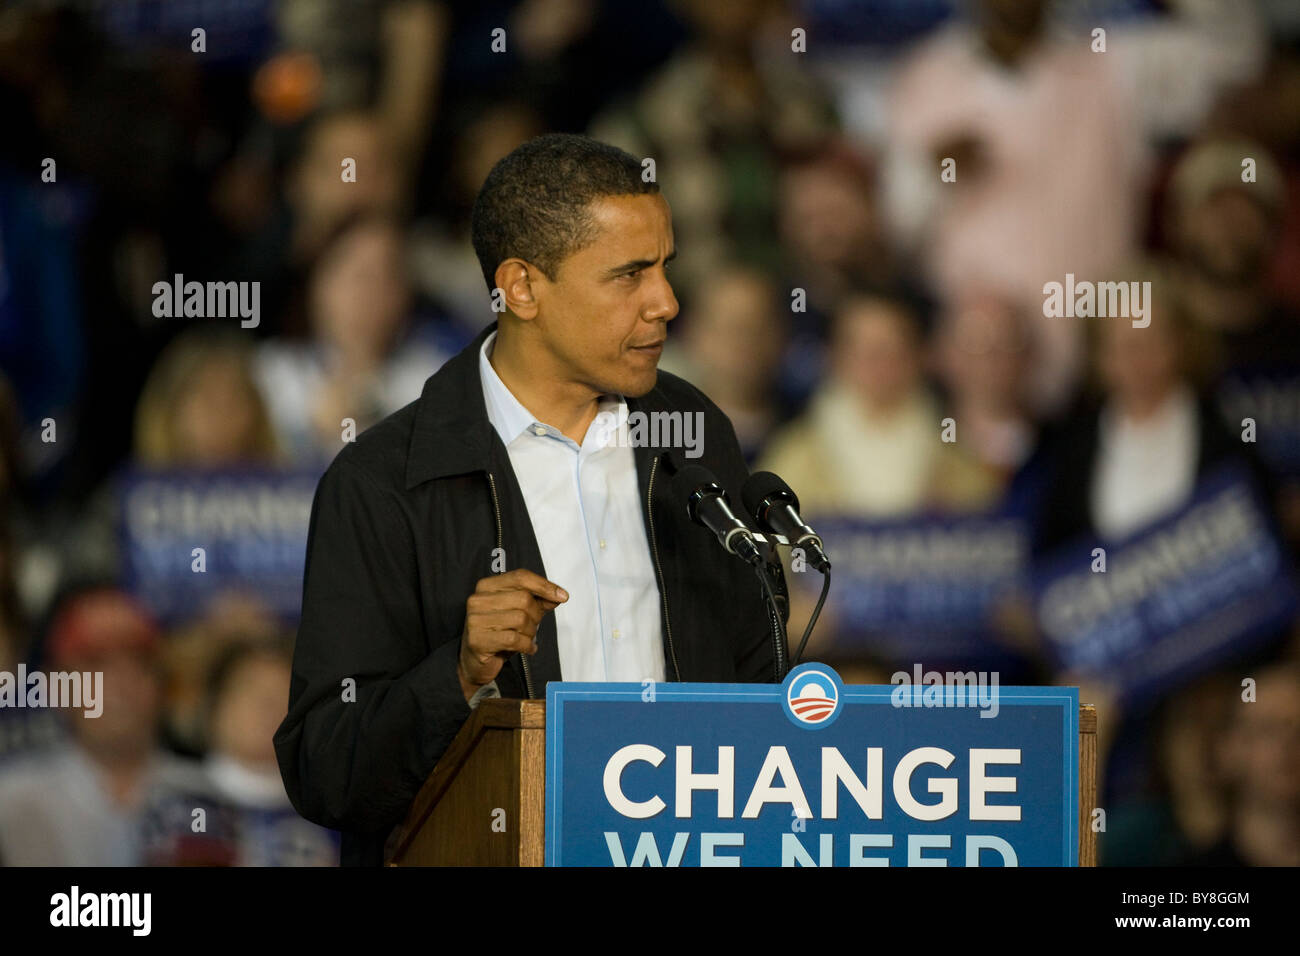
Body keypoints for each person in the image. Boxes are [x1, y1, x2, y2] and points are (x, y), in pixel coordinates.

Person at [275, 133, 775, 866]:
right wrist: (458, 675)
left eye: (664, 267)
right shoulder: (383, 483)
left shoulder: (694, 436)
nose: (665, 302)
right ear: (522, 287)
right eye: (629, 274)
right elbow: (325, 771)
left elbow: (757, 695)